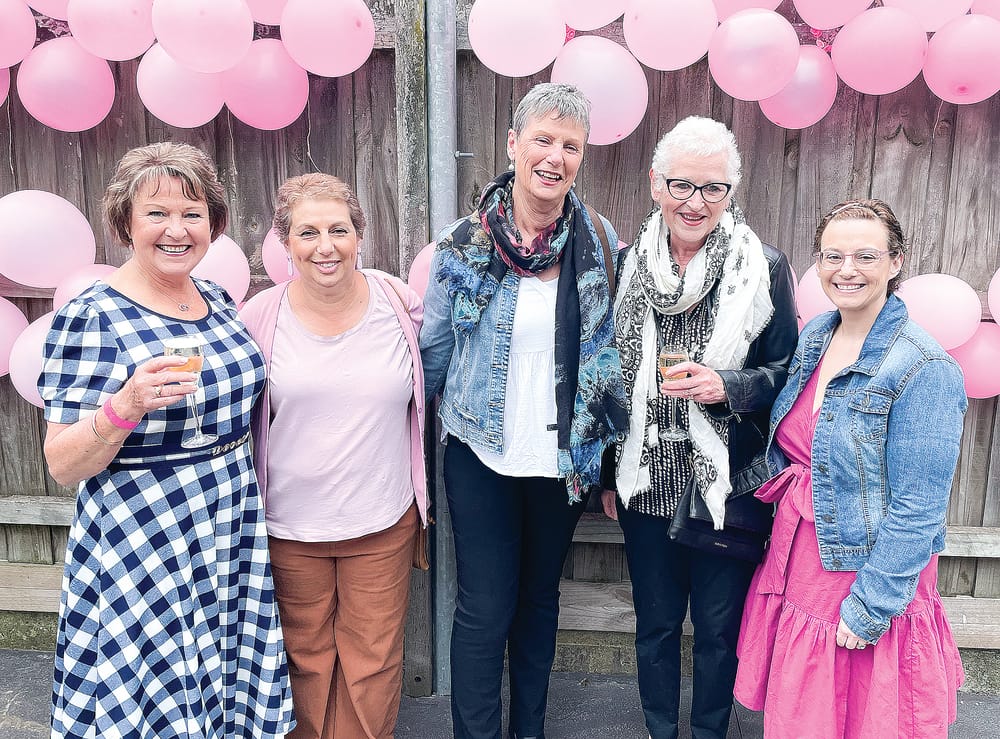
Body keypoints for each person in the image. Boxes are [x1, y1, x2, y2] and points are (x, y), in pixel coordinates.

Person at [39, 142, 294, 737]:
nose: (176, 229)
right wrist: (123, 406)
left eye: (193, 213)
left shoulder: (220, 301)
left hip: (227, 519)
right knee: (150, 686)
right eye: (157, 213)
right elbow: (61, 463)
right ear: (126, 220)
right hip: (145, 531)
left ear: (214, 224)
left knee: (222, 671)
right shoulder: (92, 315)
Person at [419, 82, 629, 739]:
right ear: (513, 144)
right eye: (543, 139)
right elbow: (435, 352)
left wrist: (609, 456)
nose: (555, 156)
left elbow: (611, 350)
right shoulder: (464, 244)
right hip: (481, 451)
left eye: (570, 145)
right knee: (485, 606)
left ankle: (528, 730)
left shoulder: (598, 236)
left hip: (562, 457)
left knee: (539, 602)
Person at [733, 199, 966, 738]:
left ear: (895, 261)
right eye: (833, 256)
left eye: (866, 255)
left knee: (865, 716)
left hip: (863, 570)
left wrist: (873, 606)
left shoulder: (925, 369)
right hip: (802, 560)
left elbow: (918, 509)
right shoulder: (817, 335)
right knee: (804, 717)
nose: (847, 269)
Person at [600, 116, 798, 739]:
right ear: (655, 184)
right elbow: (607, 375)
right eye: (682, 185)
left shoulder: (763, 267)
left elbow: (787, 375)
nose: (695, 202)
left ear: (731, 193)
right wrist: (608, 474)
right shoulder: (628, 264)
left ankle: (710, 730)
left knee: (718, 629)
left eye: (713, 189)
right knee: (655, 623)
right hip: (645, 480)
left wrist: (727, 386)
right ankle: (661, 729)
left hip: (727, 484)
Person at [240, 173, 429, 739]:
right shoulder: (258, 318)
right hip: (291, 526)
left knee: (373, 662)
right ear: (287, 243)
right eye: (308, 232)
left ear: (358, 235)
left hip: (381, 519)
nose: (325, 245)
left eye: (338, 230)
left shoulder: (399, 303)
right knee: (304, 658)